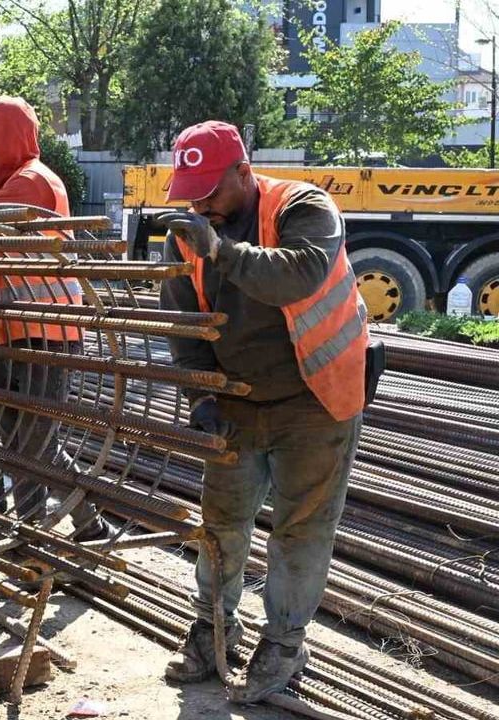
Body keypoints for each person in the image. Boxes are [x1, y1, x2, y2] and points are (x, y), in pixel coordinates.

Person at [158, 121, 366, 703]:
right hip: (238, 401)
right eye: (189, 191)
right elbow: (182, 320)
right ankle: (213, 630)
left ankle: (284, 644)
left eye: (209, 190)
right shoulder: (191, 232)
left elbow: (299, 276)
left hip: (316, 398)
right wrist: (199, 395)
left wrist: (220, 250)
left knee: (300, 530)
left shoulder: (305, 207)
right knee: (220, 524)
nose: (199, 204)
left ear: (244, 173)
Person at [0, 97, 105, 537]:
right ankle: (54, 526)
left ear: (4, 135)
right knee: (19, 441)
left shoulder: (34, 182)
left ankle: (46, 529)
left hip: (46, 330)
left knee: (34, 443)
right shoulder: (11, 182)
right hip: (11, 331)